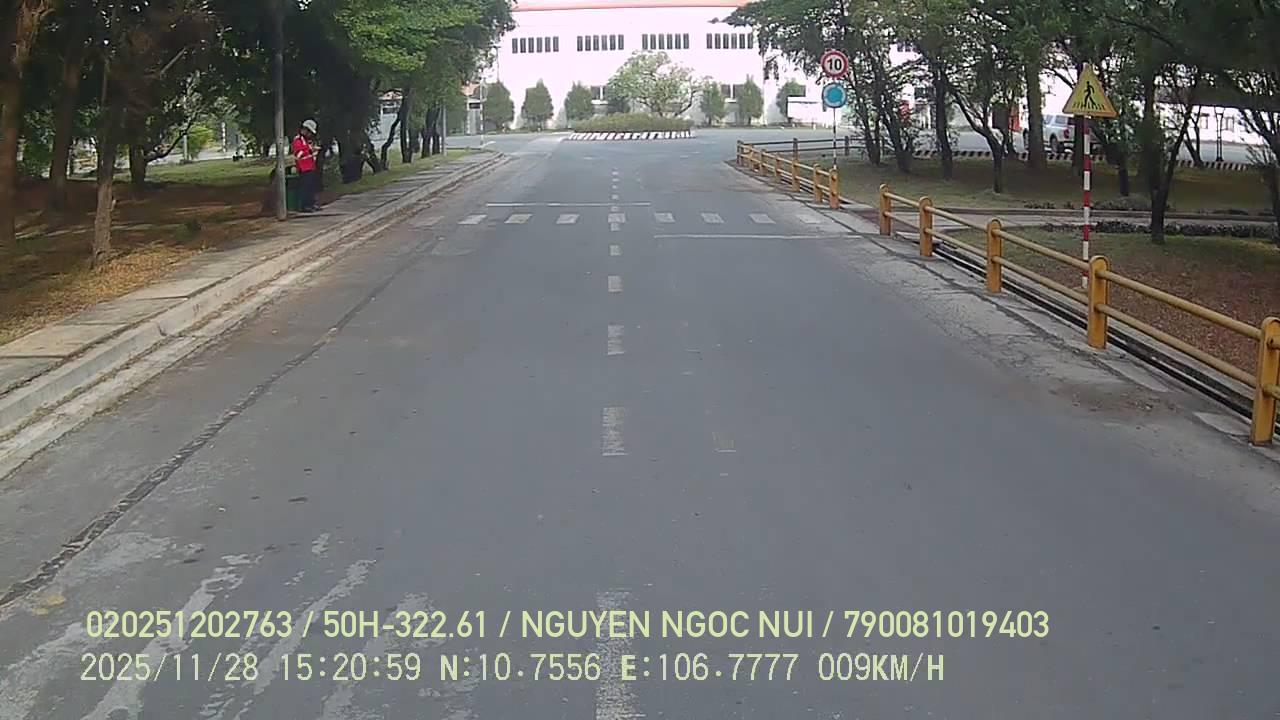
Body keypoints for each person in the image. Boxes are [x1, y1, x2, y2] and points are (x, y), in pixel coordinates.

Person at [292, 119, 320, 212]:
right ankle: (305, 206)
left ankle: (311, 203)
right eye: (309, 132)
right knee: (305, 187)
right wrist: (310, 150)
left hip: (310, 166)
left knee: (311, 186)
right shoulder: (298, 140)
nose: (310, 134)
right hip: (303, 168)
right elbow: (299, 154)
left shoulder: (307, 141)